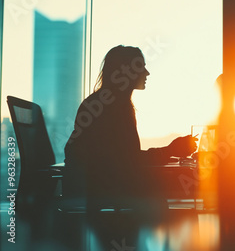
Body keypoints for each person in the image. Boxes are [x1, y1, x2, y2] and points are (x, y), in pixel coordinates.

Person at [64, 45, 197, 206]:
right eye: (141, 67)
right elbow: (129, 161)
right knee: (191, 182)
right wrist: (171, 150)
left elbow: (125, 158)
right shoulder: (112, 108)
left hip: (101, 186)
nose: (147, 73)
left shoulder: (103, 103)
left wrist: (169, 151)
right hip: (109, 189)